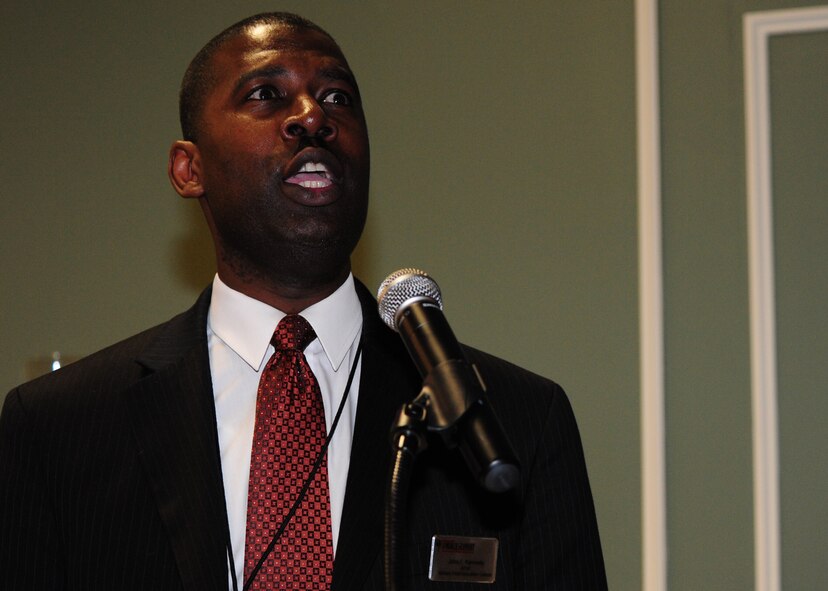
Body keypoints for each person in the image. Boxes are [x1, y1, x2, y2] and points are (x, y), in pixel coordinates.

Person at [0, 12, 607, 590]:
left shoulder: (516, 422)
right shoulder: (59, 427)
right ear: (189, 169)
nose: (313, 118)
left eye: (338, 98)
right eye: (265, 94)